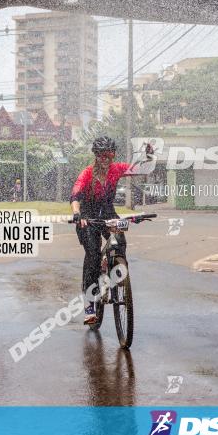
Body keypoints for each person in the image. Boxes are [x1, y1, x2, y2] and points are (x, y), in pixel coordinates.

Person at [70, 137, 147, 325]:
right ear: (96, 156)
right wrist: (77, 214)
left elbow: (137, 169)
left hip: (108, 213)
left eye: (110, 154)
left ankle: (115, 271)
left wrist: (147, 156)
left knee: (120, 241)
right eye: (102, 155)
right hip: (88, 217)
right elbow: (75, 196)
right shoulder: (87, 173)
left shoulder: (116, 169)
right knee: (93, 255)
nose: (106, 158)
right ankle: (89, 305)